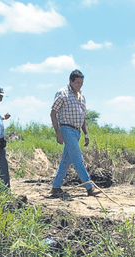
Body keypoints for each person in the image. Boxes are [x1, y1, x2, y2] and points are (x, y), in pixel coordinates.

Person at [50, 69, 100, 197]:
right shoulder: (62, 94)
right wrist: (58, 132)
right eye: (77, 82)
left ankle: (56, 187)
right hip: (66, 129)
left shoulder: (81, 97)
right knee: (78, 160)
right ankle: (89, 187)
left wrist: (86, 134)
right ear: (71, 81)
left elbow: (83, 118)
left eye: (81, 83)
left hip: (77, 131)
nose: (79, 85)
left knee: (66, 161)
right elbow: (53, 113)